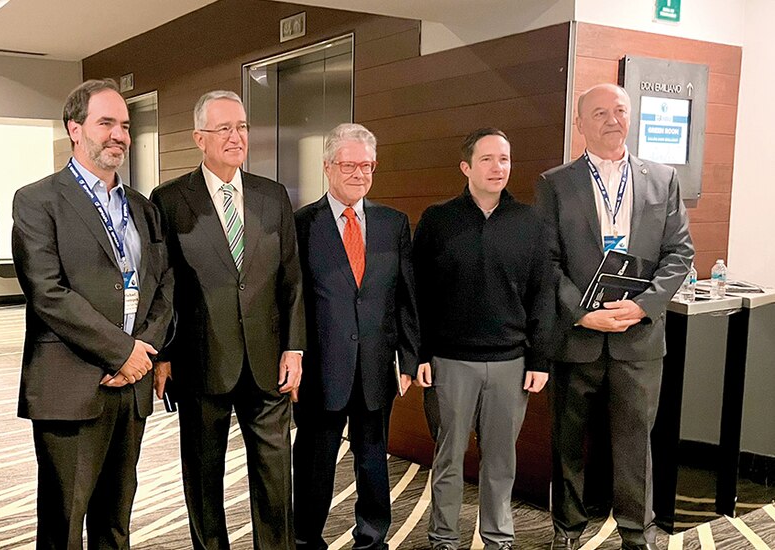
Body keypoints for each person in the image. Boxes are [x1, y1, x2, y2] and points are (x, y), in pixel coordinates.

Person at [12, 78, 174, 549]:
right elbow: (47, 292)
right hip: (71, 383)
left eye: (124, 125)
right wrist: (122, 352)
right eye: (106, 123)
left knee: (115, 521)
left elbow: (163, 283)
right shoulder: (38, 200)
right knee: (63, 523)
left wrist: (144, 351)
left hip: (133, 382)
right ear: (75, 129)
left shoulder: (142, 207)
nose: (119, 135)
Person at [537, 84, 693, 550]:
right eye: (600, 112)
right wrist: (582, 314)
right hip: (577, 338)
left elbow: (679, 252)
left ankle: (637, 533)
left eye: (620, 111)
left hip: (638, 337)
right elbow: (545, 262)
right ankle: (567, 530)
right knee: (567, 442)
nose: (612, 120)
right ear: (580, 123)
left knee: (635, 444)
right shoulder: (554, 183)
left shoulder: (662, 179)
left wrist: (644, 305)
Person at [150, 90, 305, 550]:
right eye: (224, 128)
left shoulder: (272, 195)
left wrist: (294, 347)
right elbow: (164, 284)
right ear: (200, 138)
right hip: (200, 361)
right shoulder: (169, 199)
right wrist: (163, 355)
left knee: (275, 478)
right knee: (203, 478)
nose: (236, 137)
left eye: (242, 127)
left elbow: (292, 277)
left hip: (267, 361)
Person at [412, 128, 552, 550]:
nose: (497, 167)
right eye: (487, 159)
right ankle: (443, 537)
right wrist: (420, 353)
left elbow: (542, 294)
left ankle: (498, 537)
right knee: (448, 458)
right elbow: (418, 294)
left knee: (500, 461)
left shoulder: (530, 222)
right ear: (466, 167)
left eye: (504, 159)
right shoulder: (438, 220)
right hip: (450, 361)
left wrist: (539, 360)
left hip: (511, 363)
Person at [292, 123, 419, 550]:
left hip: (375, 365)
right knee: (315, 462)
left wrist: (408, 358)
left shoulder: (393, 223)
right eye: (349, 165)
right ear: (328, 166)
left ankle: (372, 538)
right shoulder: (301, 225)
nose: (359, 174)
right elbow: (291, 300)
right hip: (321, 367)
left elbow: (405, 297)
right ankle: (306, 538)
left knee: (373, 461)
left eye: (367, 166)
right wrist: (291, 358)